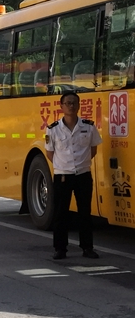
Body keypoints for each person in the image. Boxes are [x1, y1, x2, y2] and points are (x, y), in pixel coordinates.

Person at [47, 91, 103, 259]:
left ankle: (87, 247)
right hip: (63, 175)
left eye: (74, 103)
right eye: (68, 103)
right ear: (61, 106)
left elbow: (93, 150)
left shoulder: (88, 126)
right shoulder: (53, 129)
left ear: (79, 106)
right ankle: (60, 249)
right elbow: (50, 153)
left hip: (83, 174)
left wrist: (80, 163)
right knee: (61, 213)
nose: (71, 106)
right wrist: (63, 166)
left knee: (85, 212)